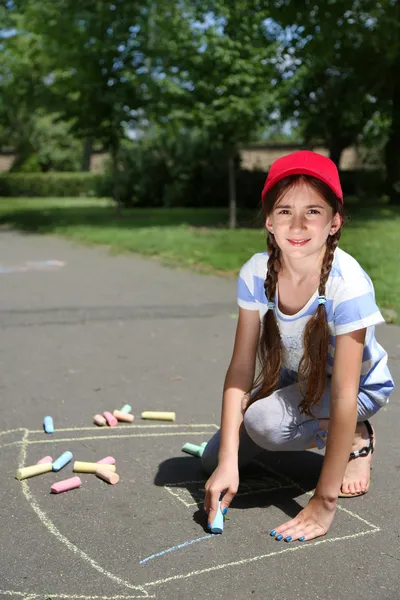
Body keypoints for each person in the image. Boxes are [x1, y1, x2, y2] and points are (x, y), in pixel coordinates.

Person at [202, 150, 394, 543]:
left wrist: (324, 502)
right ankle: (308, 432)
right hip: (298, 379)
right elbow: (240, 368)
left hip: (355, 391)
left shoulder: (348, 284)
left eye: (313, 211)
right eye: (286, 211)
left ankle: (358, 439)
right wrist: (226, 463)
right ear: (270, 220)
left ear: (334, 222)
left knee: (263, 423)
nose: (298, 224)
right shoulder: (257, 273)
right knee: (213, 457)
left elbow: (343, 393)